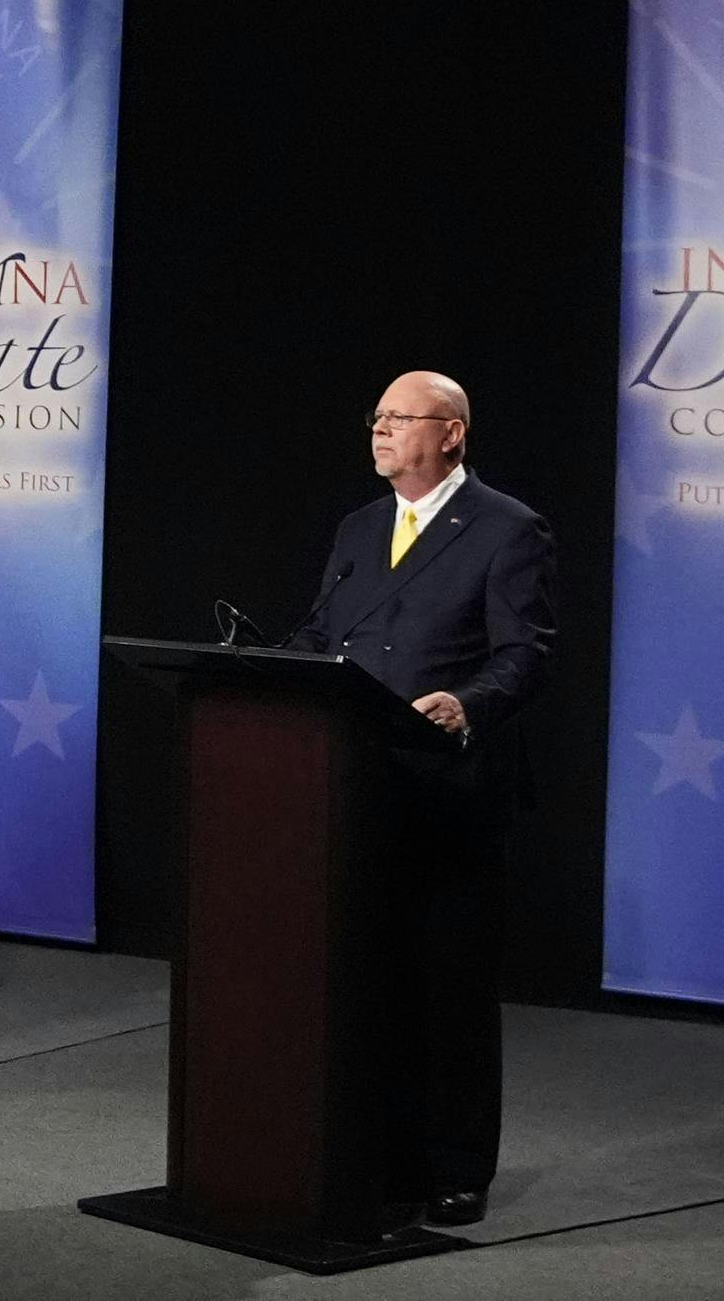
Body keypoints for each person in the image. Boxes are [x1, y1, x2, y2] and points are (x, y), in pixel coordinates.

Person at [291, 370, 556, 1227]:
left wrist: (467, 705)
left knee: (450, 989)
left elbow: (524, 653)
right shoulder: (360, 528)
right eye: (376, 417)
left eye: (399, 418)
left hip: (451, 793)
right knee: (371, 981)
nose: (379, 430)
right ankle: (383, 1151)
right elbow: (323, 637)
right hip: (361, 790)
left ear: (452, 434)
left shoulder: (508, 528)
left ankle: (456, 1166)